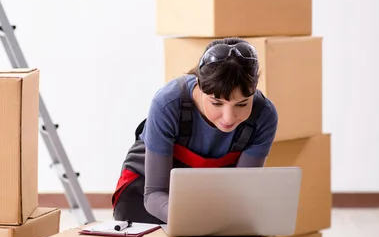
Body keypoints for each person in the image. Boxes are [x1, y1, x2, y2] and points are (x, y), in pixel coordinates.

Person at [111, 37, 279, 225]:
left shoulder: (263, 115)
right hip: (144, 196)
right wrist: (193, 222)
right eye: (216, 103)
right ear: (199, 86)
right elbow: (154, 193)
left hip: (208, 199)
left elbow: (240, 193)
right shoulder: (167, 103)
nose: (228, 117)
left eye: (241, 104)